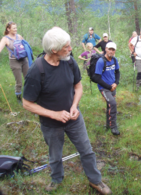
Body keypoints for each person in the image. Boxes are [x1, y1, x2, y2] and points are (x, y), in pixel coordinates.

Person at [22, 28, 112, 194]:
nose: (70, 48)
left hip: (74, 118)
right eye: (66, 46)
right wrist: (54, 114)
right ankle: (56, 179)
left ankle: (95, 180)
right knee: (55, 156)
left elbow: (78, 86)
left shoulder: (69, 62)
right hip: (51, 124)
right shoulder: (36, 71)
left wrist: (74, 106)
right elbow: (27, 103)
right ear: (54, 50)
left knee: (87, 150)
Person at [93, 42, 120, 135]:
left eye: (113, 50)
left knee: (110, 105)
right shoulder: (101, 61)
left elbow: (117, 72)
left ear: (115, 51)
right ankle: (113, 127)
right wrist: (109, 87)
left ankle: (108, 125)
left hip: (113, 86)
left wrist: (116, 83)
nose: (111, 51)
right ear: (106, 49)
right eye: (110, 49)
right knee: (112, 103)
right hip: (104, 88)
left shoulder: (115, 60)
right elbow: (97, 78)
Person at [0, 21, 28, 103]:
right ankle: (19, 97)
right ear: (8, 29)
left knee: (28, 78)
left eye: (16, 28)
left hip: (24, 60)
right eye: (14, 28)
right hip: (14, 61)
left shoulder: (19, 36)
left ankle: (28, 96)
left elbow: (25, 45)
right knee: (19, 81)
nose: (16, 29)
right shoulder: (5, 39)